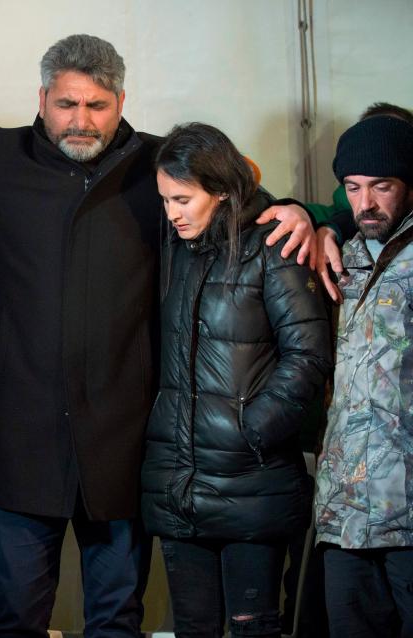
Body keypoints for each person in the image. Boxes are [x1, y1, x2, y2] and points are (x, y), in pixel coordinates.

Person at [0, 34, 315, 637]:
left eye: (98, 106)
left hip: (125, 441)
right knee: (17, 616)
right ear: (41, 99)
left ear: (121, 101)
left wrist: (299, 210)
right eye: (67, 104)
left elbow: (242, 201)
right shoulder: (1, 160)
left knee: (116, 617)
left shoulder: (154, 164)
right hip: (27, 436)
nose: (81, 120)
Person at [139, 122, 332, 638]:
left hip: (253, 481)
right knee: (194, 628)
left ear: (221, 191)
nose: (172, 213)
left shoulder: (274, 246)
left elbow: (309, 355)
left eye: (183, 199)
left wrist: (249, 429)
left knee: (254, 626)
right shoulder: (175, 248)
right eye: (164, 200)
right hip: (179, 481)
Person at [313, 115, 413, 638]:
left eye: (382, 186)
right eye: (353, 188)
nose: (366, 203)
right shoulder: (343, 255)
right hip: (345, 515)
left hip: (408, 513)